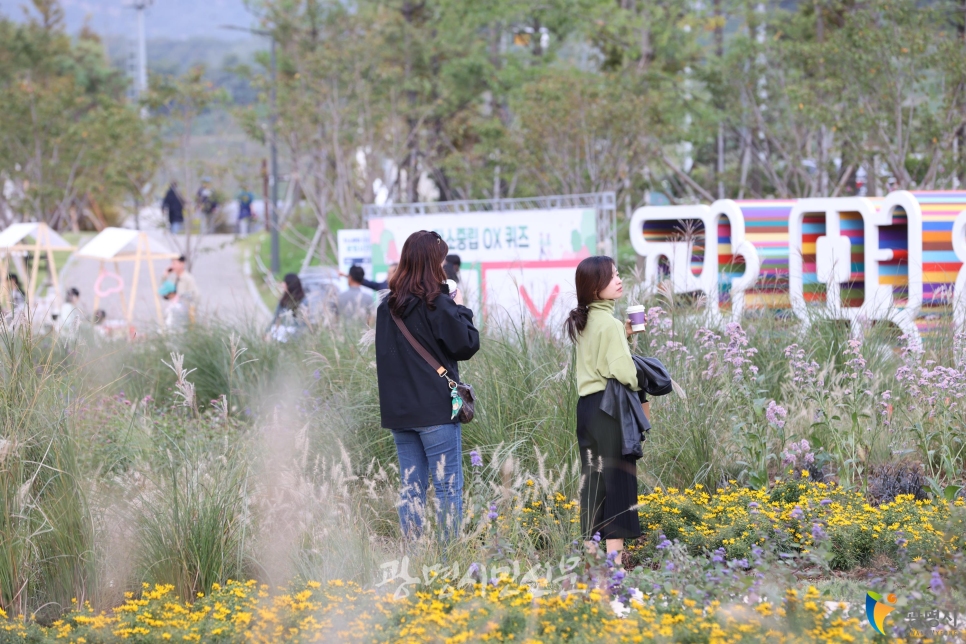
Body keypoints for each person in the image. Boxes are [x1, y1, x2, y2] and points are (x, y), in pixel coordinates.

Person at [375, 230, 480, 540]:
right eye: (442, 259)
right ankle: (449, 561)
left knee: (412, 487)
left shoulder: (387, 307)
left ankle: (414, 556)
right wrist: (459, 305)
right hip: (435, 409)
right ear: (433, 262)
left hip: (400, 412)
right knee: (448, 486)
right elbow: (467, 345)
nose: (444, 265)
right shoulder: (438, 303)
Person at [564, 256, 645, 560]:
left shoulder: (583, 322)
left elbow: (595, 359)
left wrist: (622, 335)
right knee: (618, 480)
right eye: (612, 277)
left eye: (617, 274)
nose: (619, 280)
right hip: (610, 410)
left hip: (586, 408)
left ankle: (590, 554)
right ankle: (615, 561)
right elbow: (623, 372)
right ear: (595, 288)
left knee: (593, 480)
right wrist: (643, 380)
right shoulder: (608, 324)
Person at [160, 255, 200, 327]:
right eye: (172, 264)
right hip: (175, 311)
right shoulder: (174, 278)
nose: (172, 266)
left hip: (185, 312)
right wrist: (165, 275)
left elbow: (195, 295)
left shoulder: (188, 278)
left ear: (182, 264)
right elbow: (163, 289)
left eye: (174, 264)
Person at [266, 273, 306, 342]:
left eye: (284, 282)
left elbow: (303, 325)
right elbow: (276, 318)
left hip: (296, 336)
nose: (282, 284)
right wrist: (267, 332)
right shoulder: (283, 300)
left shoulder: (304, 302)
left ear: (290, 285)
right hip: (281, 333)